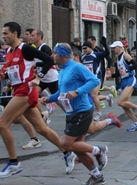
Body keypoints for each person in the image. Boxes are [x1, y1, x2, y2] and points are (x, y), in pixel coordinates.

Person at [0, 22, 74, 179]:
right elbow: (13, 70)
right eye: (2, 34)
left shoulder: (25, 48)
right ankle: (68, 152)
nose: (3, 36)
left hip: (26, 92)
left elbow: (49, 60)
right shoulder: (10, 51)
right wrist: (3, 76)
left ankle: (13, 162)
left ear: (15, 34)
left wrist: (38, 77)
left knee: (1, 124)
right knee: (41, 128)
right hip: (19, 91)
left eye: (5, 33)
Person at [41, 43, 108, 184]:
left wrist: (78, 92)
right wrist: (50, 98)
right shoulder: (62, 70)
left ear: (63, 55)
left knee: (65, 144)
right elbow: (62, 91)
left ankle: (98, 150)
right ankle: (97, 176)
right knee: (78, 149)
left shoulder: (77, 67)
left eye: (55, 53)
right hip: (71, 113)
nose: (52, 56)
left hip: (81, 111)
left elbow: (94, 81)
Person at [110, 41, 137, 132]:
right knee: (125, 105)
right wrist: (112, 76)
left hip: (130, 79)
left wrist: (127, 69)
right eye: (112, 48)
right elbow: (120, 72)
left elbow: (136, 65)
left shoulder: (126, 56)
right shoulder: (118, 58)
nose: (113, 49)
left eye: (114, 47)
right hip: (124, 81)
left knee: (120, 102)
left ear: (120, 47)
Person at [81, 39, 110, 121]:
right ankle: (107, 97)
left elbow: (107, 53)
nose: (84, 50)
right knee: (91, 96)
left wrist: (105, 45)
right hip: (87, 80)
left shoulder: (96, 55)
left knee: (93, 95)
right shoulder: (83, 57)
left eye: (85, 48)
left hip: (96, 79)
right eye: (83, 48)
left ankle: (99, 114)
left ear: (90, 48)